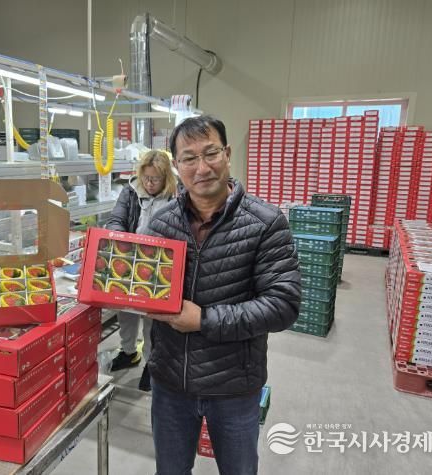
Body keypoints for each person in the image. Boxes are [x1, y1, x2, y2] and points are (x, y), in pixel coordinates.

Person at [145, 115, 301, 475]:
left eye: (210, 153)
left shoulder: (265, 222)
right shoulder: (161, 223)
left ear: (227, 154)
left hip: (233, 386)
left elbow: (283, 304)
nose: (202, 168)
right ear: (176, 166)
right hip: (170, 382)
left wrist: (203, 320)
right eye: (189, 158)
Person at [104, 149, 178, 391]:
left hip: (159, 265)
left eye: (155, 179)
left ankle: (150, 362)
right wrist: (121, 240)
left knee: (151, 319)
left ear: (166, 177)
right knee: (126, 312)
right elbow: (116, 219)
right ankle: (128, 352)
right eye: (146, 178)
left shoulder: (177, 196)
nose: (149, 183)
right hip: (129, 260)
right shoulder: (130, 191)